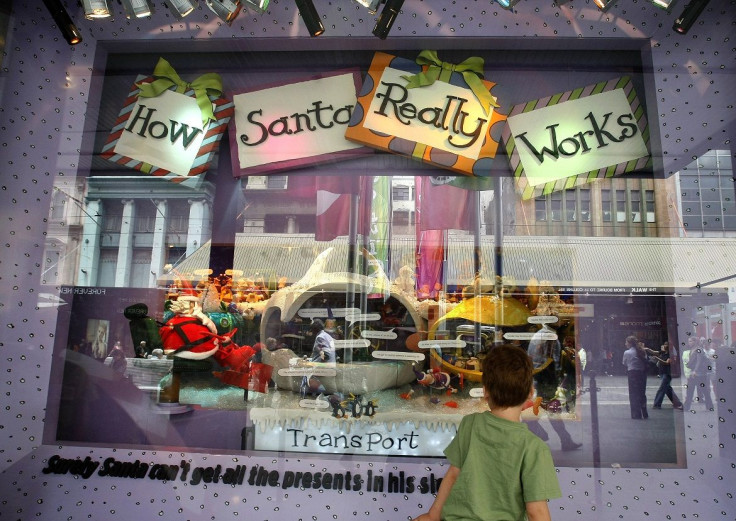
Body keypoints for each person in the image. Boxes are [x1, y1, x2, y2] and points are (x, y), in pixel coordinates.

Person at [412, 345, 561, 521]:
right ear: (530, 393)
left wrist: (432, 515)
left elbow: (453, 474)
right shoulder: (535, 448)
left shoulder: (471, 424)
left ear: (485, 392)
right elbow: (537, 512)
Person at [682, 336, 714, 411]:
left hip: (699, 373)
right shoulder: (691, 350)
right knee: (690, 390)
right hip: (693, 373)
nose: (689, 343)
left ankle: (710, 406)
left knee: (705, 391)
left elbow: (699, 361)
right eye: (689, 341)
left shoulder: (699, 349)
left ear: (695, 341)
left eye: (690, 341)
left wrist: (695, 371)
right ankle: (686, 407)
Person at [622, 335, 648, 419]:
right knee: (642, 393)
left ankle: (636, 413)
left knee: (633, 393)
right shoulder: (642, 351)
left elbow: (624, 363)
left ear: (629, 343)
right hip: (642, 373)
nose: (625, 344)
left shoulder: (627, 352)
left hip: (632, 373)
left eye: (626, 342)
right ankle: (644, 412)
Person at [651, 341, 683, 410]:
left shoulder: (670, 354)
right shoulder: (663, 352)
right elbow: (653, 352)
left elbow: (666, 363)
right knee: (668, 389)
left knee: (662, 389)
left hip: (667, 373)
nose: (663, 346)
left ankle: (657, 404)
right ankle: (677, 403)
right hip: (663, 373)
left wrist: (657, 358)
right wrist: (646, 349)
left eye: (665, 345)